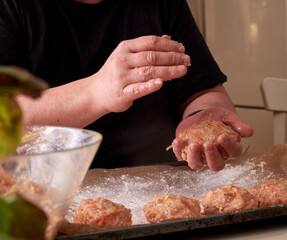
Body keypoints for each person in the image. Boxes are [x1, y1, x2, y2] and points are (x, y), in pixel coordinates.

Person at [0, 0, 254, 171]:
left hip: (159, 186)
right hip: (45, 193)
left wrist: (202, 117)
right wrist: (96, 92)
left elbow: (203, 90)